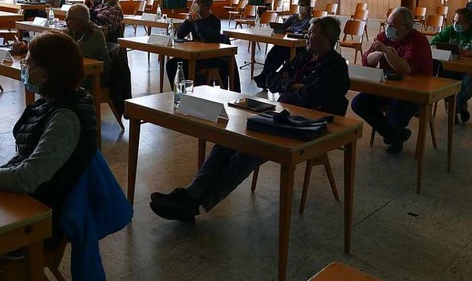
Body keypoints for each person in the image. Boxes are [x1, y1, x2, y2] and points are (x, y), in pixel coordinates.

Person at [149, 16, 350, 222]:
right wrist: (293, 86)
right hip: (282, 116)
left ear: (325, 36)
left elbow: (309, 97)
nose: (306, 35)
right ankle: (192, 193)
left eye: (312, 32)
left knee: (247, 154)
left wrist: (290, 85)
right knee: (227, 141)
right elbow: (271, 80)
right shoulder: (304, 58)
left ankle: (194, 204)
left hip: (306, 127)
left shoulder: (335, 67)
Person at [0, 32, 97, 249]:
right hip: (25, 200)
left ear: (45, 74)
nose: (24, 68)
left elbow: (26, 179)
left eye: (29, 63)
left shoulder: (65, 118)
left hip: (34, 217)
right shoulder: (53, 102)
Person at [351, 6, 432, 154]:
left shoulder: (418, 40)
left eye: (393, 26)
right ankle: (396, 135)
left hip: (413, 92)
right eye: (387, 24)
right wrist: (380, 53)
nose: (388, 28)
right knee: (358, 103)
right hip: (389, 87)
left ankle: (393, 134)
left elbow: (405, 69)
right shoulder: (384, 37)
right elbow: (366, 61)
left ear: (407, 27)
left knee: (395, 118)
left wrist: (387, 51)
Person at [430, 7, 472, 123]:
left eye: (459, 22)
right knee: (443, 81)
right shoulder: (450, 30)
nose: (455, 24)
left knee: (470, 83)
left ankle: (454, 109)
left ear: (469, 23)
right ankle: (460, 107)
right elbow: (433, 44)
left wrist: (469, 54)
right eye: (454, 21)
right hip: (451, 69)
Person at [166, 0, 228, 89]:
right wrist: (188, 21)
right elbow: (180, 34)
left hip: (209, 56)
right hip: (195, 54)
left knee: (187, 65)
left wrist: (197, 21)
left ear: (204, 5)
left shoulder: (214, 21)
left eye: (195, 2)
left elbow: (206, 38)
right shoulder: (194, 20)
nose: (193, 5)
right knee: (171, 64)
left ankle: (189, 90)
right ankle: (177, 91)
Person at [253, 0, 313, 89]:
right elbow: (283, 26)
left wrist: (291, 29)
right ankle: (264, 75)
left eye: (303, 5)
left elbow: (302, 29)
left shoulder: (309, 20)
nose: (301, 7)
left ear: (308, 7)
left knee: (280, 56)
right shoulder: (294, 17)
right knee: (272, 53)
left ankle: (265, 77)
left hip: (298, 47)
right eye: (300, 5)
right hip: (285, 42)